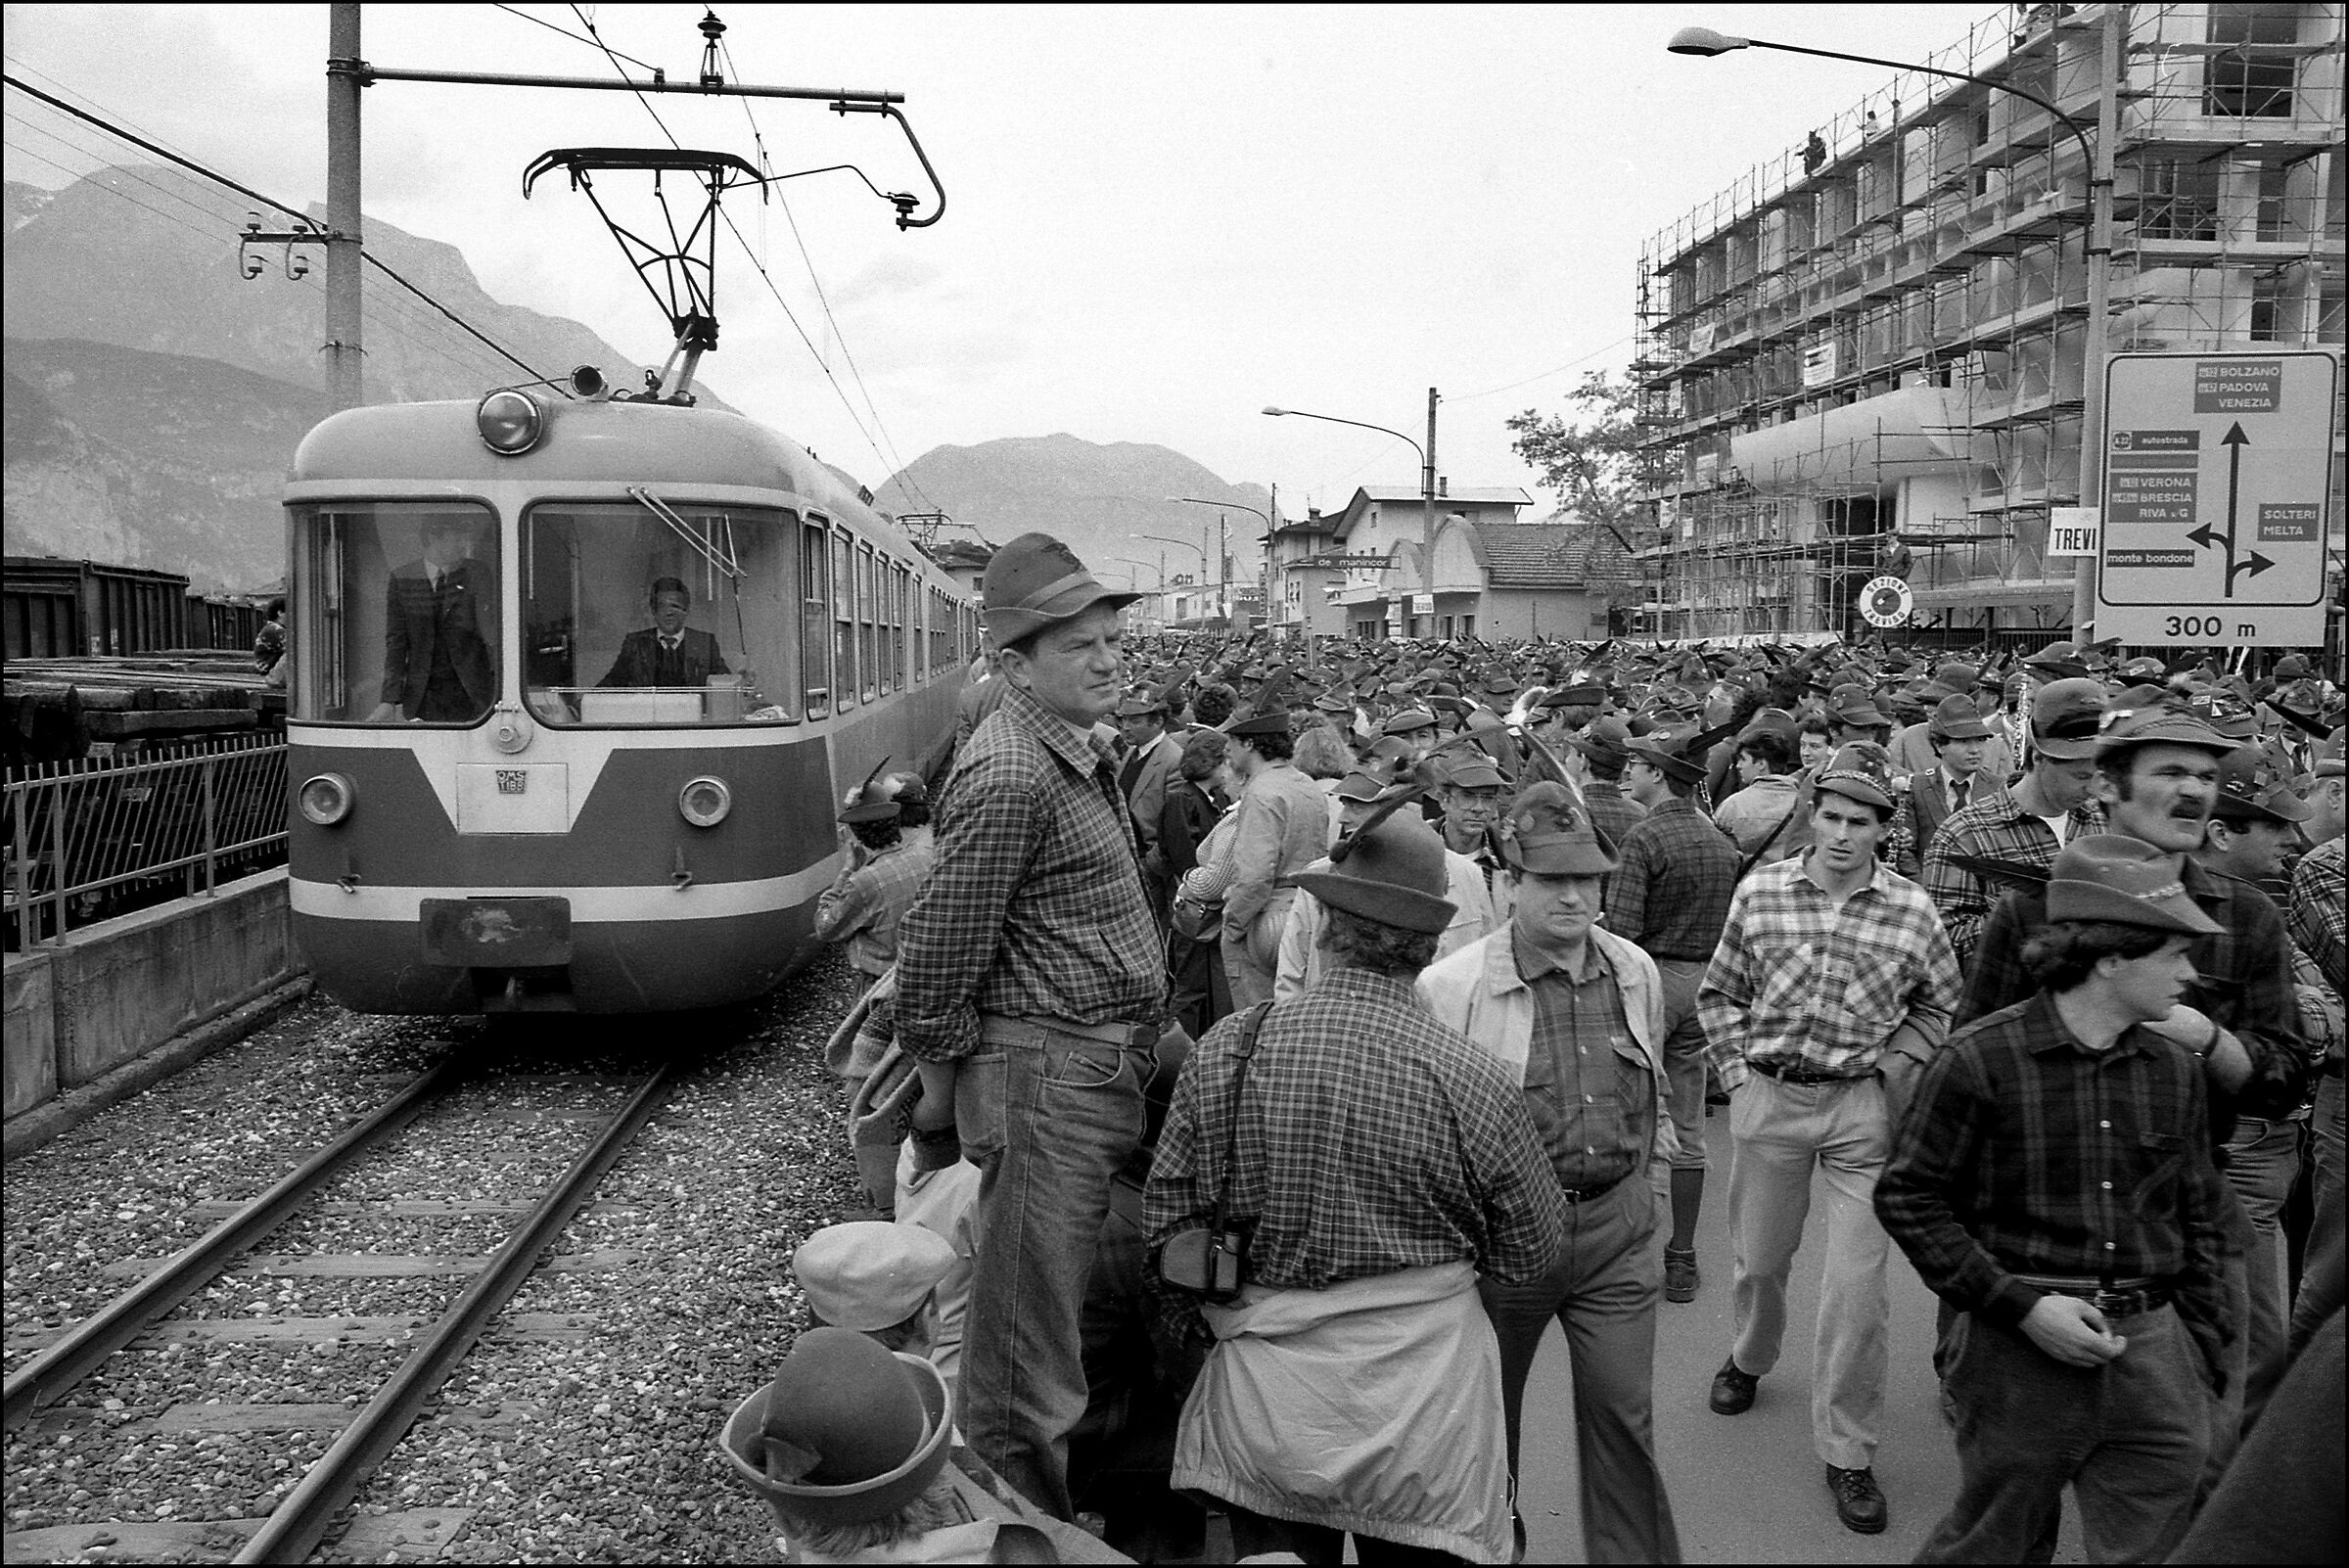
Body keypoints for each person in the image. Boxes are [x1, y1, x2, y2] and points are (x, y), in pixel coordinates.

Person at [1145, 807, 1569, 1566]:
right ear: (1430, 941)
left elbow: (1168, 1233)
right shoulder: (1474, 1080)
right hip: (1425, 1417)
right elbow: (1532, 1253)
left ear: (1324, 923)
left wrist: (1206, 1354)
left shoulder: (1228, 1052)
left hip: (1270, 1404)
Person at [1959, 703, 2309, 1499]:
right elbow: (1970, 1072)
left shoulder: (2243, 915)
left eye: (2208, 776)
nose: (2194, 790)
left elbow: (2284, 1077)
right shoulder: (2034, 910)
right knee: (2014, 1489)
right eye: (2171, 772)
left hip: (2178, 1228)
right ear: (2109, 790)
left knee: (2194, 1459)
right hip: (2034, 1228)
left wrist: (2204, 1038)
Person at [891, 531, 1165, 1521]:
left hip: (1076, 1077)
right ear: (1013, 665)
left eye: (1110, 640)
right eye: (1078, 646)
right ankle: (1013, 1536)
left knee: (1046, 1340)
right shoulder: (1011, 772)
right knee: (1021, 1367)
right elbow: (935, 967)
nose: (1107, 659)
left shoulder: (1061, 752)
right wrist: (940, 1095)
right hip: (1046, 1084)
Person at [1876, 837, 2234, 1564]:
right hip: (2020, 1356)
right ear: (2110, 957)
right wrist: (2022, 1308)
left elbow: (2196, 1210)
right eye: (2174, 954)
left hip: (2155, 1355)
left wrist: (2201, 1345)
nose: (2190, 975)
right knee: (1994, 1543)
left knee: (2155, 1545)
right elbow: (1910, 1198)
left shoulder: (2174, 1069)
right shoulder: (1978, 1060)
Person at [1696, 742, 1962, 1536]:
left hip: (1861, 1114)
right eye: (1832, 816)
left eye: (1861, 822)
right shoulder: (1763, 893)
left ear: (1884, 829)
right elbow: (1720, 995)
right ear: (1814, 815)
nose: (1842, 834)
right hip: (1771, 1099)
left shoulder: (1913, 909)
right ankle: (1750, 1356)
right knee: (1761, 1262)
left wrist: (1896, 1063)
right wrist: (1740, 1077)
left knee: (1857, 1291)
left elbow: (1939, 1003)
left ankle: (1848, 1450)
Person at [1418, 783, 1682, 1565]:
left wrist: (1653, 1192)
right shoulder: (1451, 987)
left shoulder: (1634, 969)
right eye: (1552, 879)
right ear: (1508, 883)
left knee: (1623, 1418)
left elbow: (1654, 1087)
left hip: (1617, 1235)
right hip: (1503, 1247)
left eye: (1587, 879)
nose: (1573, 896)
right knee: (1486, 1430)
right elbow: (1433, 1139)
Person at [1611, 725, 1741, 1308]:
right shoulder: (1718, 840)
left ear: (1660, 775)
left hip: (1650, 982)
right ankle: (1682, 1256)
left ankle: (1628, 1255)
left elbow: (1621, 932)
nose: (1629, 772)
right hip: (1704, 982)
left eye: (1638, 765)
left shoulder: (1643, 838)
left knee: (1631, 1118)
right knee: (1688, 1125)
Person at [1920, 676, 2108, 971]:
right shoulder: (1965, 835)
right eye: (2081, 777)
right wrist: (2034, 913)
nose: (2093, 790)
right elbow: (1944, 947)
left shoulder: (2101, 822)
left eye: (2100, 778)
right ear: (2038, 758)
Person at [1274, 773, 1496, 1002]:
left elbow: (1486, 963)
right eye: (1345, 805)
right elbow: (1291, 976)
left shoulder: (1467, 874)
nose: (1343, 817)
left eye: (1358, 806)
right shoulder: (1323, 878)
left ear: (1392, 809)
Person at [1218, 712, 1330, 1010]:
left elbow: (1255, 876)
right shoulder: (1304, 782)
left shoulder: (1261, 791)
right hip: (1309, 911)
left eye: (1232, 741)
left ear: (1251, 743)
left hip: (1268, 915)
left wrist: (1233, 924)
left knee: (1256, 1023)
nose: (1227, 749)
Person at [368, 512, 496, 722]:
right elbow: (397, 643)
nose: (463, 545)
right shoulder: (403, 579)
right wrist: (389, 700)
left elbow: (489, 632)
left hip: (472, 692)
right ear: (433, 538)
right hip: (423, 696)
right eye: (456, 538)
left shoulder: (477, 573)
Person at [1163, 731, 1235, 1039]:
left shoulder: (1216, 799)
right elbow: (1183, 856)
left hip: (1209, 907)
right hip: (1193, 907)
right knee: (1189, 985)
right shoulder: (1182, 799)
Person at [1888, 693, 1995, 880]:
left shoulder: (1999, 788)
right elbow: (1905, 850)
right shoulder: (1916, 787)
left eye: (1980, 740)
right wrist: (1925, 891)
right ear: (1940, 746)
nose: (1975, 750)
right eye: (1963, 741)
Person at [597, 576, 731, 688]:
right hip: (648, 716)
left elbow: (724, 683)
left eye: (675, 606)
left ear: (686, 610)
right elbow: (613, 681)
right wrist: (581, 705)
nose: (669, 613)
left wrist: (744, 687)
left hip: (692, 717)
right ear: (653, 612)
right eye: (662, 606)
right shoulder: (636, 643)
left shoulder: (704, 643)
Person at [252, 597, 286, 678]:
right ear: (280, 613)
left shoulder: (272, 628)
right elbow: (296, 650)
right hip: (269, 671)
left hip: (267, 668)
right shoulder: (275, 630)